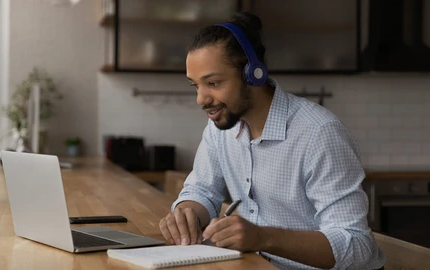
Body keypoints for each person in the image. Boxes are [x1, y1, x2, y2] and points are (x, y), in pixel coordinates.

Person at [159, 11, 386, 270]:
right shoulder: (219, 128)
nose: (201, 99)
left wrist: (262, 237)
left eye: (213, 82)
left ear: (252, 74)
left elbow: (356, 246)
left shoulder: (319, 133)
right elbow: (202, 190)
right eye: (195, 86)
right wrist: (187, 212)